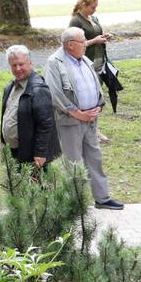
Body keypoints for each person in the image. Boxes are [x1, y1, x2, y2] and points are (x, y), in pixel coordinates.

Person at [47, 28, 122, 209]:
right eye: (83, 41)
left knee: (94, 158)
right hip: (70, 121)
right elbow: (55, 94)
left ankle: (102, 198)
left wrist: (99, 104)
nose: (86, 44)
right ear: (70, 45)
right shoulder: (54, 63)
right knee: (73, 162)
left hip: (90, 120)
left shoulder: (84, 60)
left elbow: (95, 84)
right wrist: (77, 113)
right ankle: (75, 202)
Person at [0, 45, 60, 170]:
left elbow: (45, 124)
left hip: (31, 155)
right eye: (13, 65)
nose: (18, 69)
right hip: (14, 151)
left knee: (36, 188)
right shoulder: (10, 87)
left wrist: (40, 153)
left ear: (30, 63)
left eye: (21, 64)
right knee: (17, 188)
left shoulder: (38, 89)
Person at [68, 0, 114, 142]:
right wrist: (94, 41)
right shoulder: (76, 21)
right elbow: (74, 45)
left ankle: (94, 127)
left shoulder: (93, 18)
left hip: (99, 61)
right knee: (87, 97)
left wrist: (104, 36)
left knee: (97, 97)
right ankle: (92, 129)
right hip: (85, 63)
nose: (95, 10)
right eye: (93, 7)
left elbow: (97, 33)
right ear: (84, 5)